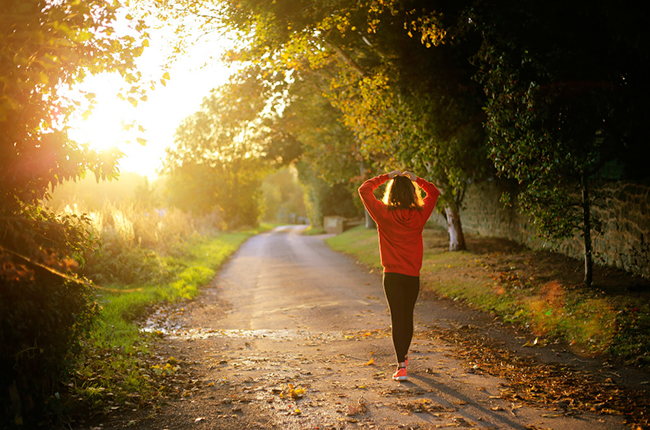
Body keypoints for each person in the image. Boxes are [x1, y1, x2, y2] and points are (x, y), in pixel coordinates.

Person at [358, 170, 440, 381]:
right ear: (412, 194)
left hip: (392, 276)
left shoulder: (383, 214)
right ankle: (403, 358)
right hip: (412, 276)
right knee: (407, 317)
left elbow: (364, 189)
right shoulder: (420, 215)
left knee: (397, 318)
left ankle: (401, 366)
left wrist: (386, 176)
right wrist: (417, 179)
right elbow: (434, 192)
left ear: (391, 193)